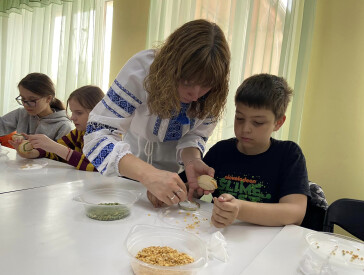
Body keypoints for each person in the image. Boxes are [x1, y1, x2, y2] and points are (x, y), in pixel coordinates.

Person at [83, 19, 231, 206]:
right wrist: (148, 174)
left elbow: (193, 136)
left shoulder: (213, 95)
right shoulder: (141, 71)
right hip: (129, 168)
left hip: (173, 176)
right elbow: (96, 134)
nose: (195, 95)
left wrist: (192, 160)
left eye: (205, 86)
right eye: (187, 82)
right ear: (170, 68)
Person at [180, 74, 310, 227]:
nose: (245, 129)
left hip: (266, 242)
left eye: (258, 122)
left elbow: (295, 213)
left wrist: (240, 209)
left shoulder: (289, 154)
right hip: (222, 236)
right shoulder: (221, 151)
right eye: (239, 118)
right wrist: (179, 190)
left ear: (278, 123)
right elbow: (188, 184)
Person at [9, 85, 104, 171]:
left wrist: (54, 146)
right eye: (72, 112)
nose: (72, 117)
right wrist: (30, 153)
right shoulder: (77, 133)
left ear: (98, 112)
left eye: (79, 113)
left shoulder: (107, 136)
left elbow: (94, 164)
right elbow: (54, 153)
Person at [0, 73, 73, 141]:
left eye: (32, 100)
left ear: (48, 98)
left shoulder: (64, 126)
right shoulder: (21, 113)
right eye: (23, 99)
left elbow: (60, 154)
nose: (26, 104)